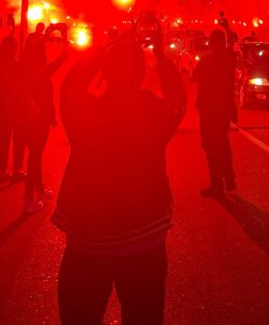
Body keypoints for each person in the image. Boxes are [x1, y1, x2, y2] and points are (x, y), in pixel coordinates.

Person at [53, 25, 186, 325]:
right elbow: (178, 99)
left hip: (86, 246)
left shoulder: (86, 113)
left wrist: (101, 49)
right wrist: (162, 57)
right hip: (145, 246)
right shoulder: (155, 114)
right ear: (142, 75)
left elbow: (71, 86)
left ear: (106, 73)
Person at [19, 26, 68, 214]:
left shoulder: (23, 68)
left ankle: (39, 192)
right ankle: (28, 200)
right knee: (35, 157)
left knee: (34, 156)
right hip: (39, 120)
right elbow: (65, 56)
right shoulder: (42, 71)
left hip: (25, 118)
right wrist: (63, 36)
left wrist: (45, 36)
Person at [191, 28, 237, 197]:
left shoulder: (206, 61)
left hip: (208, 110)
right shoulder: (228, 60)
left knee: (210, 147)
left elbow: (193, 77)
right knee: (223, 144)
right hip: (223, 109)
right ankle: (229, 177)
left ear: (211, 42)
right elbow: (233, 46)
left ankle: (217, 184)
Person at [0, 35, 26, 183]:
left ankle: (2, 172)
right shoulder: (18, 65)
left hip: (1, 102)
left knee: (3, 139)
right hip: (16, 103)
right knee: (18, 138)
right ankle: (16, 170)